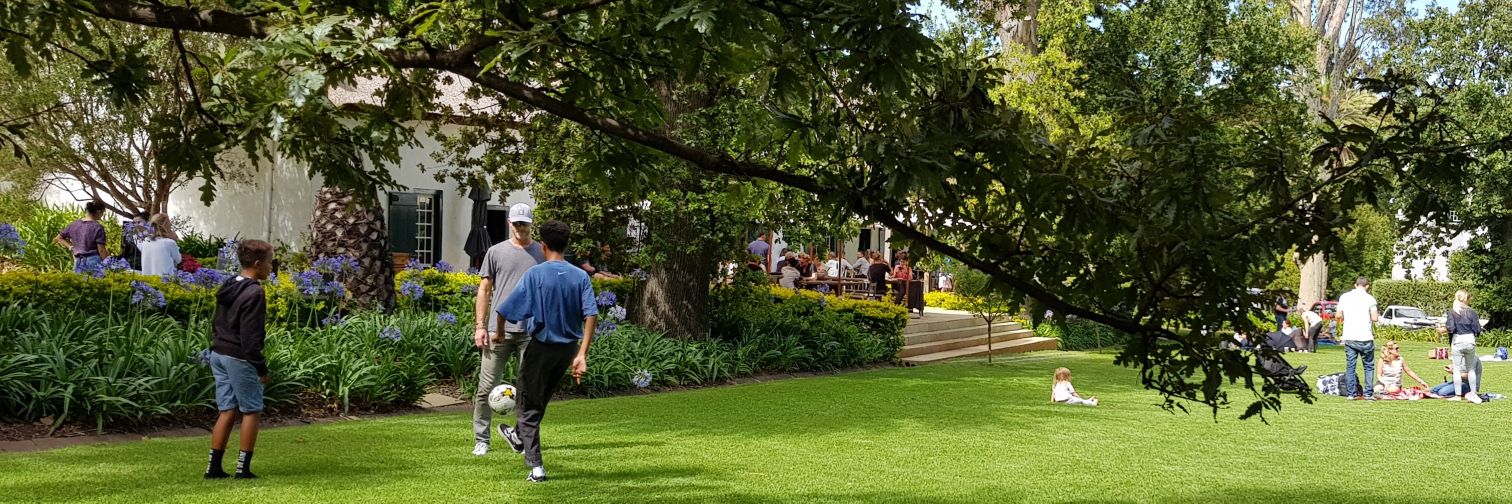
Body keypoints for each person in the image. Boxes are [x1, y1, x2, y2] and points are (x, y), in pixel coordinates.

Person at [494, 220, 599, 483]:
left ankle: (536, 468)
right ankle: (518, 436)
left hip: (541, 348)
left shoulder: (536, 274)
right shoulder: (580, 276)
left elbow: (505, 310)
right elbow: (591, 314)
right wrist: (582, 354)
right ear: (567, 245)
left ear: (543, 246)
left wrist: (498, 332)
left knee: (528, 405)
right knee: (538, 401)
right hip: (567, 350)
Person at [470, 203, 545, 457]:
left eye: (525, 223)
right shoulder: (495, 252)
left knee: (529, 391)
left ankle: (522, 439)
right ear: (509, 224)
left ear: (531, 223)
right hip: (497, 331)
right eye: (516, 224)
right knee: (485, 388)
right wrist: (480, 326)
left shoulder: (541, 253)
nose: (520, 228)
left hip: (531, 332)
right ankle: (482, 439)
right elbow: (484, 290)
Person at [204, 240, 274, 479]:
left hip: (218, 353)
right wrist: (261, 368)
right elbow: (250, 337)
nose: (271, 267)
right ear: (257, 264)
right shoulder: (255, 292)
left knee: (226, 410)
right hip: (239, 357)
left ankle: (213, 467)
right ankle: (243, 468)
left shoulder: (229, 285)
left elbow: (217, 321)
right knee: (251, 410)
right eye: (269, 262)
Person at [1336, 277, 1380, 400]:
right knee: (1368, 366)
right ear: (1367, 286)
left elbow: (1338, 315)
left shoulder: (1344, 297)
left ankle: (1351, 393)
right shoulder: (1370, 298)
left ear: (1355, 285)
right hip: (1365, 337)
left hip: (1350, 336)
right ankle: (1368, 393)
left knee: (1351, 366)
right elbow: (1375, 318)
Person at [1441, 289, 1485, 404]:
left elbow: (1451, 327)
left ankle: (1457, 395)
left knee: (1457, 369)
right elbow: (1477, 329)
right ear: (1466, 299)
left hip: (1458, 340)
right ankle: (1473, 393)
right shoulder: (1472, 312)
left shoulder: (1453, 311)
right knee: (1471, 369)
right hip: (1470, 340)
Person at [53, 200, 110, 273]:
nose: (102, 215)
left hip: (78, 263)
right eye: (103, 213)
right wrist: (109, 264)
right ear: (99, 212)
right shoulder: (98, 227)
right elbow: (101, 251)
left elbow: (58, 238)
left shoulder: (74, 224)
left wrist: (70, 247)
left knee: (79, 283)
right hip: (94, 263)